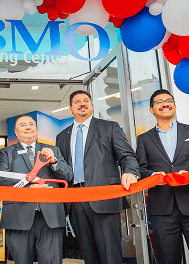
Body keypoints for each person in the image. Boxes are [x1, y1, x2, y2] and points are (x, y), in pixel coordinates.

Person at [56, 90, 140, 264]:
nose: (82, 104)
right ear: (71, 108)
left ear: (92, 105)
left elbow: (127, 156)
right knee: (88, 254)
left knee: (110, 254)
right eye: (77, 102)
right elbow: (62, 171)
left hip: (104, 199)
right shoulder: (62, 137)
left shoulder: (109, 127)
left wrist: (130, 172)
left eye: (86, 100)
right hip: (75, 201)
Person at [136, 90, 189, 264]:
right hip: (162, 209)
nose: (165, 103)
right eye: (159, 101)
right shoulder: (143, 139)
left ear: (174, 106)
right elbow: (140, 170)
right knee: (168, 259)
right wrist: (153, 176)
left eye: (169, 100)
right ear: (152, 109)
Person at [0, 114, 72, 264]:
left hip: (50, 216)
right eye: (23, 125)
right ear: (16, 132)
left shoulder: (53, 150)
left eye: (31, 124)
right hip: (18, 216)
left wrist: (55, 162)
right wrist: (29, 186)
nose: (28, 127)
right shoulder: (6, 152)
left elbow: (68, 176)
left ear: (37, 130)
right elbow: (2, 178)